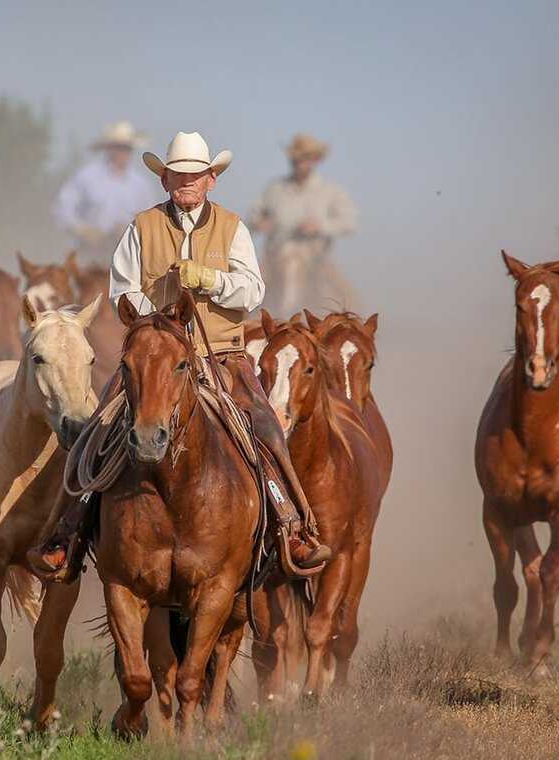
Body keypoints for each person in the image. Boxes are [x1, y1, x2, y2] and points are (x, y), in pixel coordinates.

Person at [28, 130, 331, 582]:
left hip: (222, 355)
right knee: (101, 428)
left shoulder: (233, 227)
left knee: (266, 427)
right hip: (155, 356)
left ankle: (292, 525)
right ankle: (66, 533)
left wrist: (210, 279)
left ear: (211, 180)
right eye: (178, 175)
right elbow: (122, 291)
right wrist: (159, 322)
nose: (186, 182)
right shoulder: (141, 227)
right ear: (165, 179)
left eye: (195, 175)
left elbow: (253, 290)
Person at [251, 134, 358, 316]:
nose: (300, 162)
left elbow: (349, 222)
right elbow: (254, 216)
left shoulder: (330, 191)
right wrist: (260, 222)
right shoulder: (274, 188)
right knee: (246, 294)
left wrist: (320, 226)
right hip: (275, 256)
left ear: (316, 160)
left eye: (306, 158)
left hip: (315, 257)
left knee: (348, 301)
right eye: (296, 158)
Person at [52, 121, 159, 264]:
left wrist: (129, 231)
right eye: (119, 147)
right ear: (109, 148)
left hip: (127, 256)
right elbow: (62, 208)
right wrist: (83, 230)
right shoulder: (86, 176)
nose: (123, 152)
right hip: (88, 252)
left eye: (126, 148)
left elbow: (151, 221)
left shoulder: (140, 185)